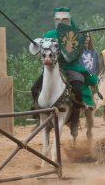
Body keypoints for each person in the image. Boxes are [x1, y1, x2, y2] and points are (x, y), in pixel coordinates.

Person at [31, 7, 97, 136]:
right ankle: (38, 116)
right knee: (34, 88)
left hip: (71, 67)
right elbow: (43, 49)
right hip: (52, 67)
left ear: (69, 20)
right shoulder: (49, 35)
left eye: (64, 19)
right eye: (58, 19)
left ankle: (74, 122)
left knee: (77, 89)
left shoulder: (74, 35)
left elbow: (75, 53)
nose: (61, 21)